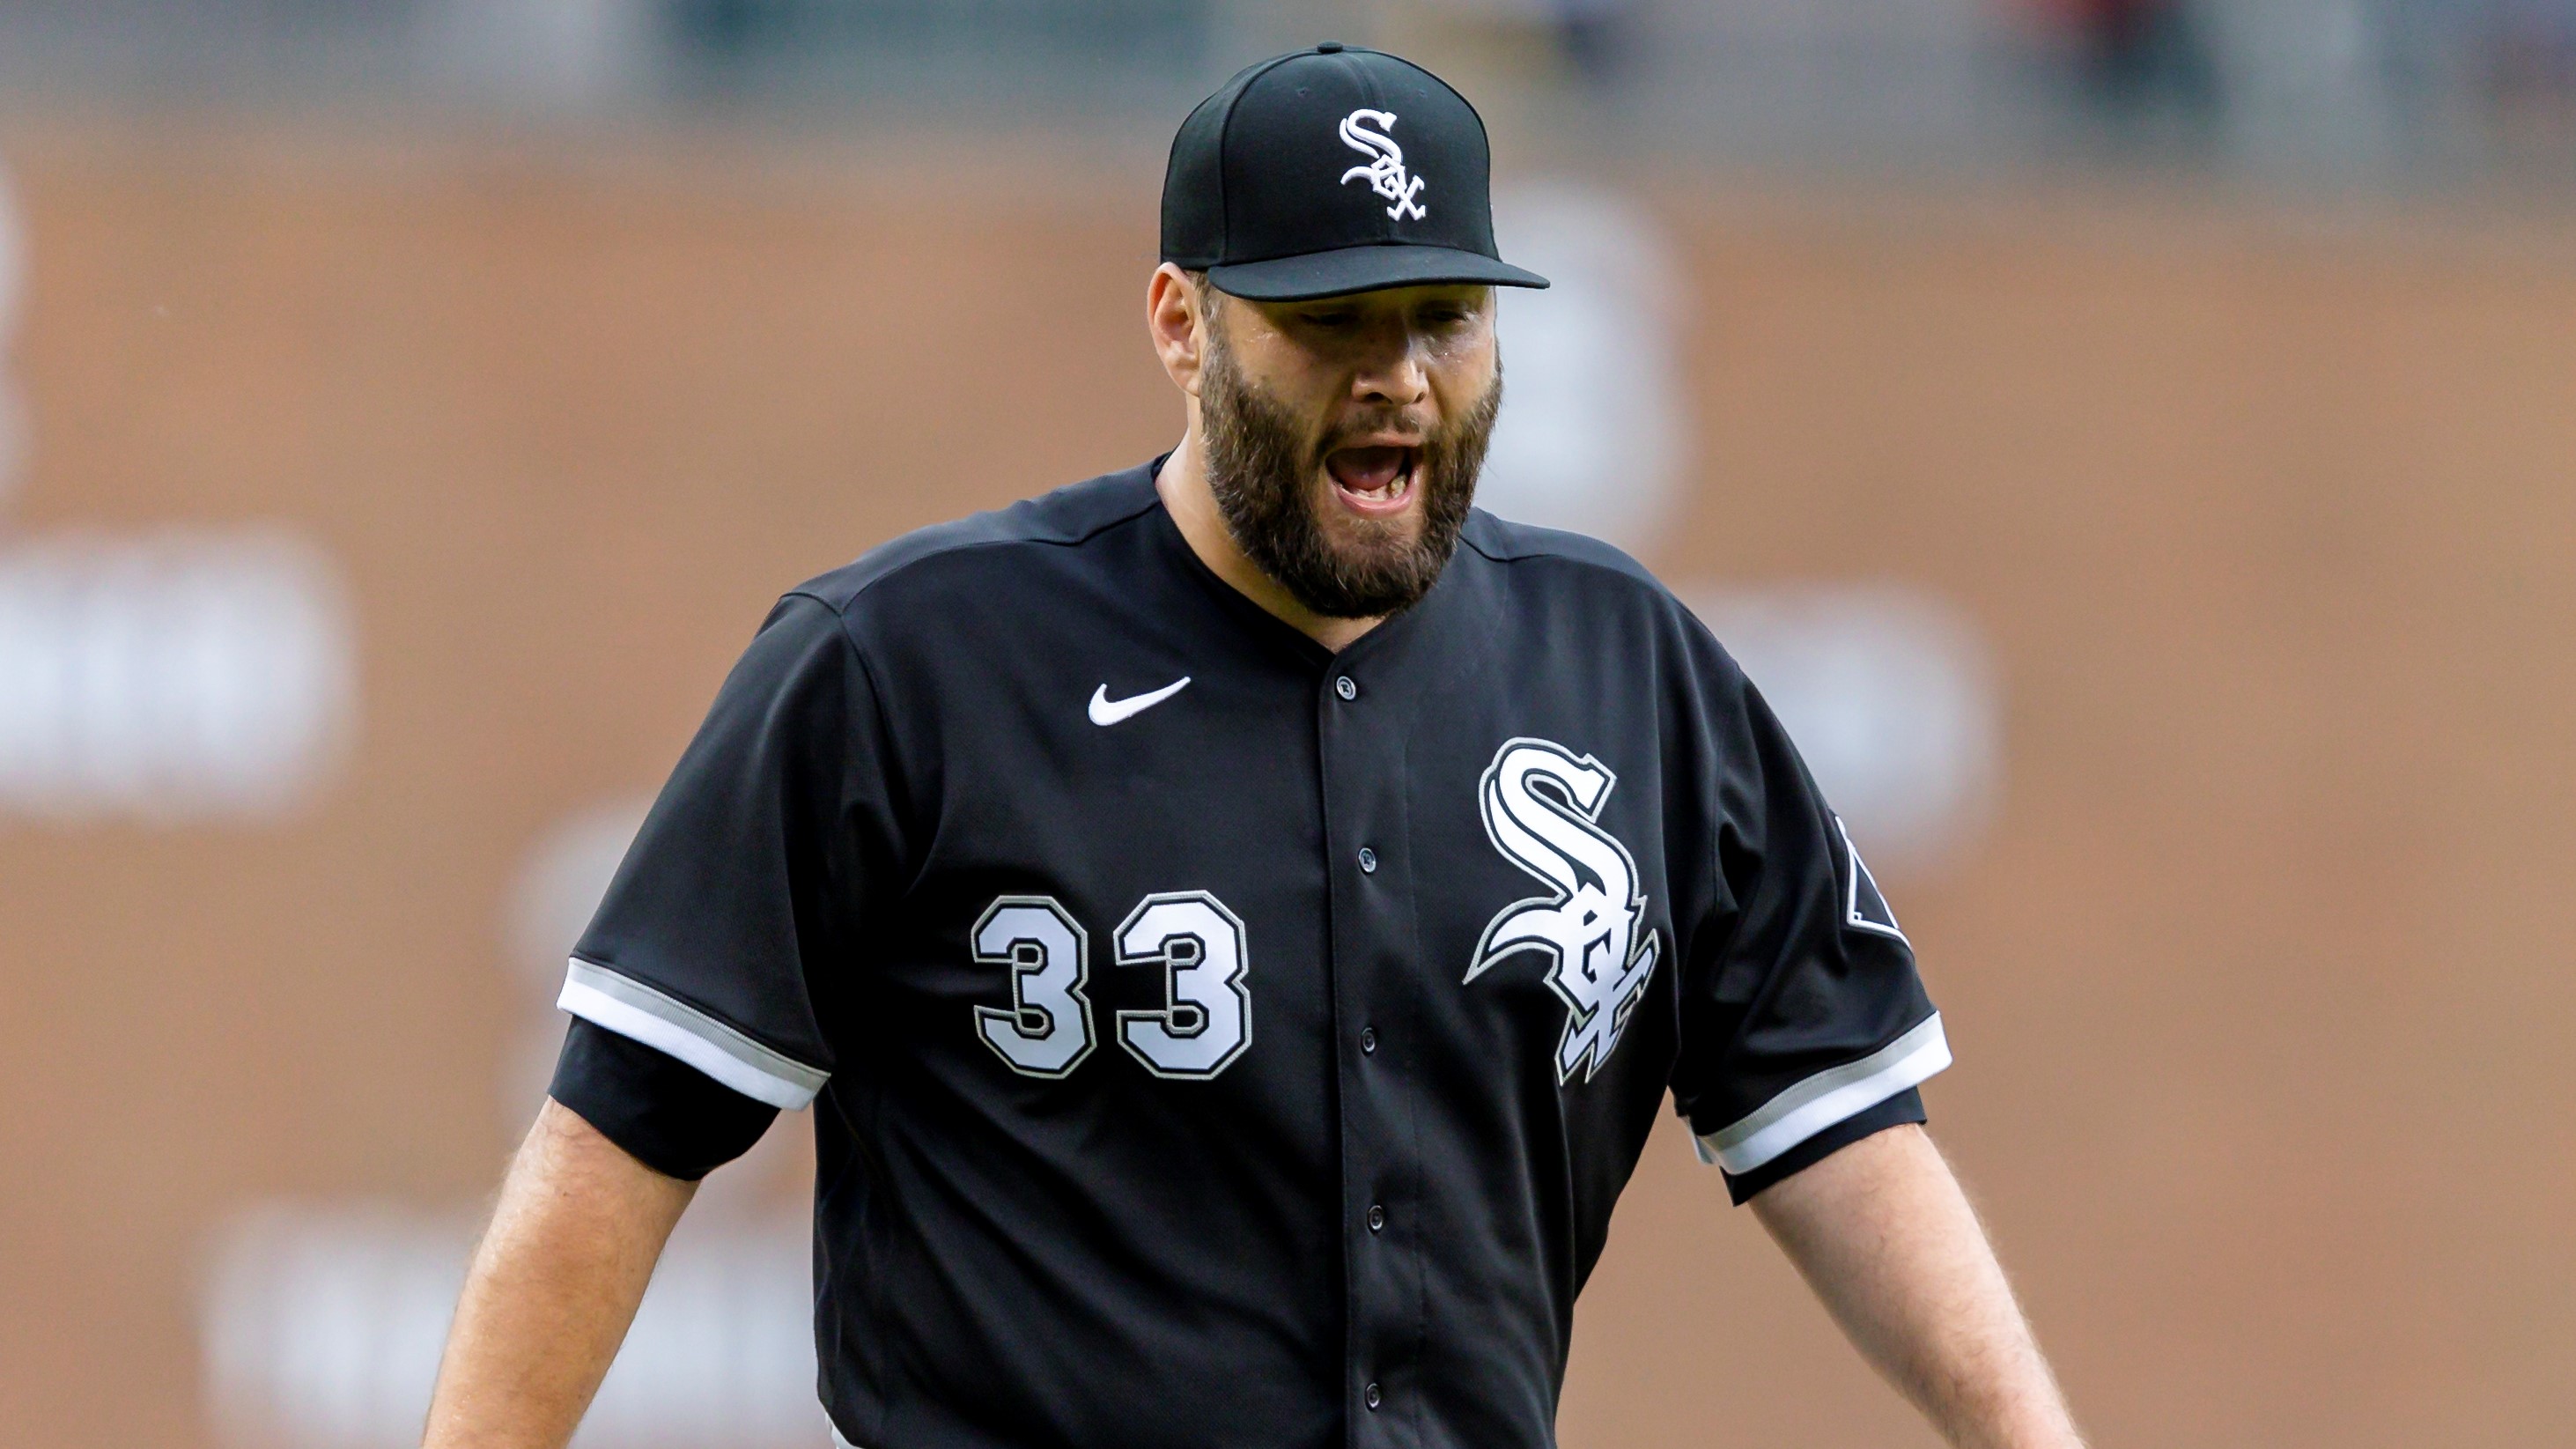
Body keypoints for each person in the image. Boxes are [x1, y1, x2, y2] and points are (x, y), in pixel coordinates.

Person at [423, 44, 2086, 1449]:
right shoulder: (910, 664)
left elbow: (1837, 1115)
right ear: (1179, 322)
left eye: (1443, 315)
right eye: (1329, 321)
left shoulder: (1622, 663)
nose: (1396, 378)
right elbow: (616, 1142)